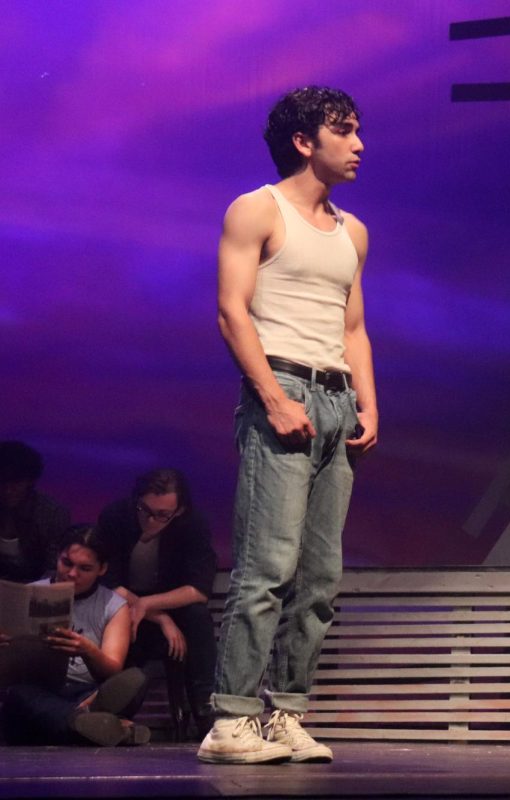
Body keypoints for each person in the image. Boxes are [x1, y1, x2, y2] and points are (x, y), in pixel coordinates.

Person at [198, 86, 378, 765]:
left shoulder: (353, 230)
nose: (359, 144)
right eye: (346, 131)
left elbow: (353, 326)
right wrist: (272, 398)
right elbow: (231, 312)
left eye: (359, 131)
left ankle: (285, 712)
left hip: (336, 400)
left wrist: (369, 401)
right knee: (267, 565)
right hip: (284, 388)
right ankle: (231, 720)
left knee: (320, 575)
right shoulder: (256, 209)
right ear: (306, 141)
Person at [1, 526, 149, 746]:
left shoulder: (114, 606)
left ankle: (87, 718)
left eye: (85, 568)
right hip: (36, 690)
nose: (72, 574)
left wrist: (87, 650)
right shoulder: (29, 593)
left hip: (85, 692)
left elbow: (112, 669)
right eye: (66, 563)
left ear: (102, 569)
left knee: (136, 681)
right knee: (18, 696)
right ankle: (92, 723)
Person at [96, 468, 217, 737]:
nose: (151, 520)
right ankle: (111, 717)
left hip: (175, 613)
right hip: (128, 612)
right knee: (117, 618)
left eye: (163, 515)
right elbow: (108, 581)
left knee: (198, 618)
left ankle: (206, 714)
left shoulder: (192, 524)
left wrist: (150, 604)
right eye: (146, 510)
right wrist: (160, 617)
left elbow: (199, 589)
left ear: (179, 511)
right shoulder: (117, 517)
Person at [0, 441, 69, 583]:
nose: (8, 490)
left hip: (36, 590)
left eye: (16, 483)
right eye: (2, 482)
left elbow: (55, 568)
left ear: (30, 481)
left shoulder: (52, 514)